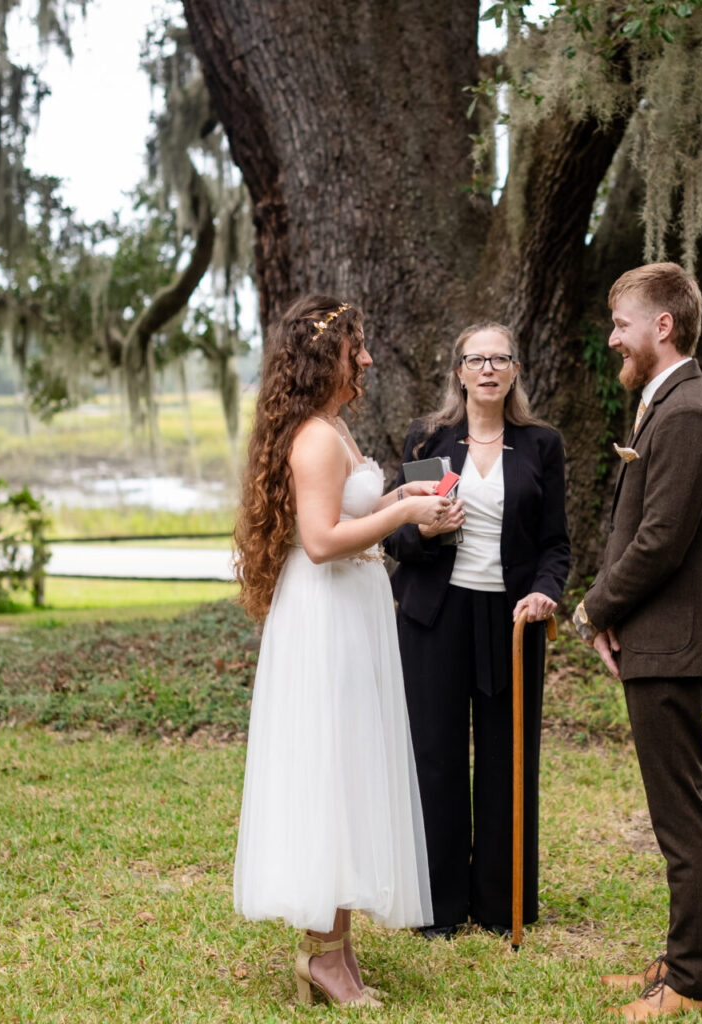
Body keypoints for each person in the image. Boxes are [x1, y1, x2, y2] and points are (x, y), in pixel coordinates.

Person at [231, 295, 453, 1008]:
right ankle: (322, 959)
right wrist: (405, 511)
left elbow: (350, 513)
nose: (366, 357)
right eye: (355, 346)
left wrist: (410, 494)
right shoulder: (318, 438)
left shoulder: (333, 428)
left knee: (350, 769)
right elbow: (323, 540)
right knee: (331, 770)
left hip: (352, 613)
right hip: (326, 616)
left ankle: (337, 951)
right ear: (324, 356)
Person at [572, 264, 702, 1021]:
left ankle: (691, 983)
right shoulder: (665, 404)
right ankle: (678, 959)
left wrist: (591, 609)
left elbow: (661, 541)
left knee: (681, 817)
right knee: (676, 810)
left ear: (662, 326)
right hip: (653, 638)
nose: (613, 338)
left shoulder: (687, 414)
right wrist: (615, 619)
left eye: (621, 323)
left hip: (674, 645)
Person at [384, 322, 570, 939]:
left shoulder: (542, 444)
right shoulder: (428, 437)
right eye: (476, 359)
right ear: (459, 371)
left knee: (506, 760)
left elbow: (555, 545)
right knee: (435, 757)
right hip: (434, 617)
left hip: (512, 617)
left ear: (515, 369)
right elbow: (393, 534)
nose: (488, 368)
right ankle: (437, 908)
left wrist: (546, 590)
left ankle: (501, 904)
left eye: (499, 358)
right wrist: (425, 529)